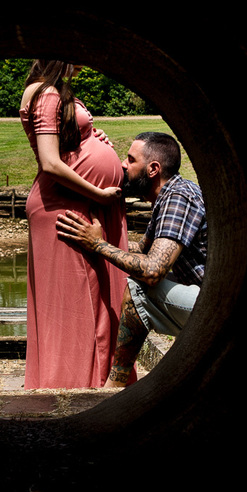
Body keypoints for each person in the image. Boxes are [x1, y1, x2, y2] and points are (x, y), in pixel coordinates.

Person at [55, 132, 206, 387]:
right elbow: (140, 250)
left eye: (130, 159)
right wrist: (94, 240)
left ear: (153, 169)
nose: (124, 165)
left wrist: (99, 245)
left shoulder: (178, 197)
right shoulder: (166, 197)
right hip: (204, 297)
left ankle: (115, 387)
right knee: (139, 281)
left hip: (217, 309)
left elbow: (152, 270)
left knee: (139, 288)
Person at [20, 59, 130, 388]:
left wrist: (88, 135)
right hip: (63, 207)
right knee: (77, 308)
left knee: (89, 304)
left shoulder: (53, 91)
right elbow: (51, 163)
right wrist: (99, 193)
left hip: (76, 203)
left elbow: (63, 144)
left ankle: (89, 384)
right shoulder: (47, 93)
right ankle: (72, 391)